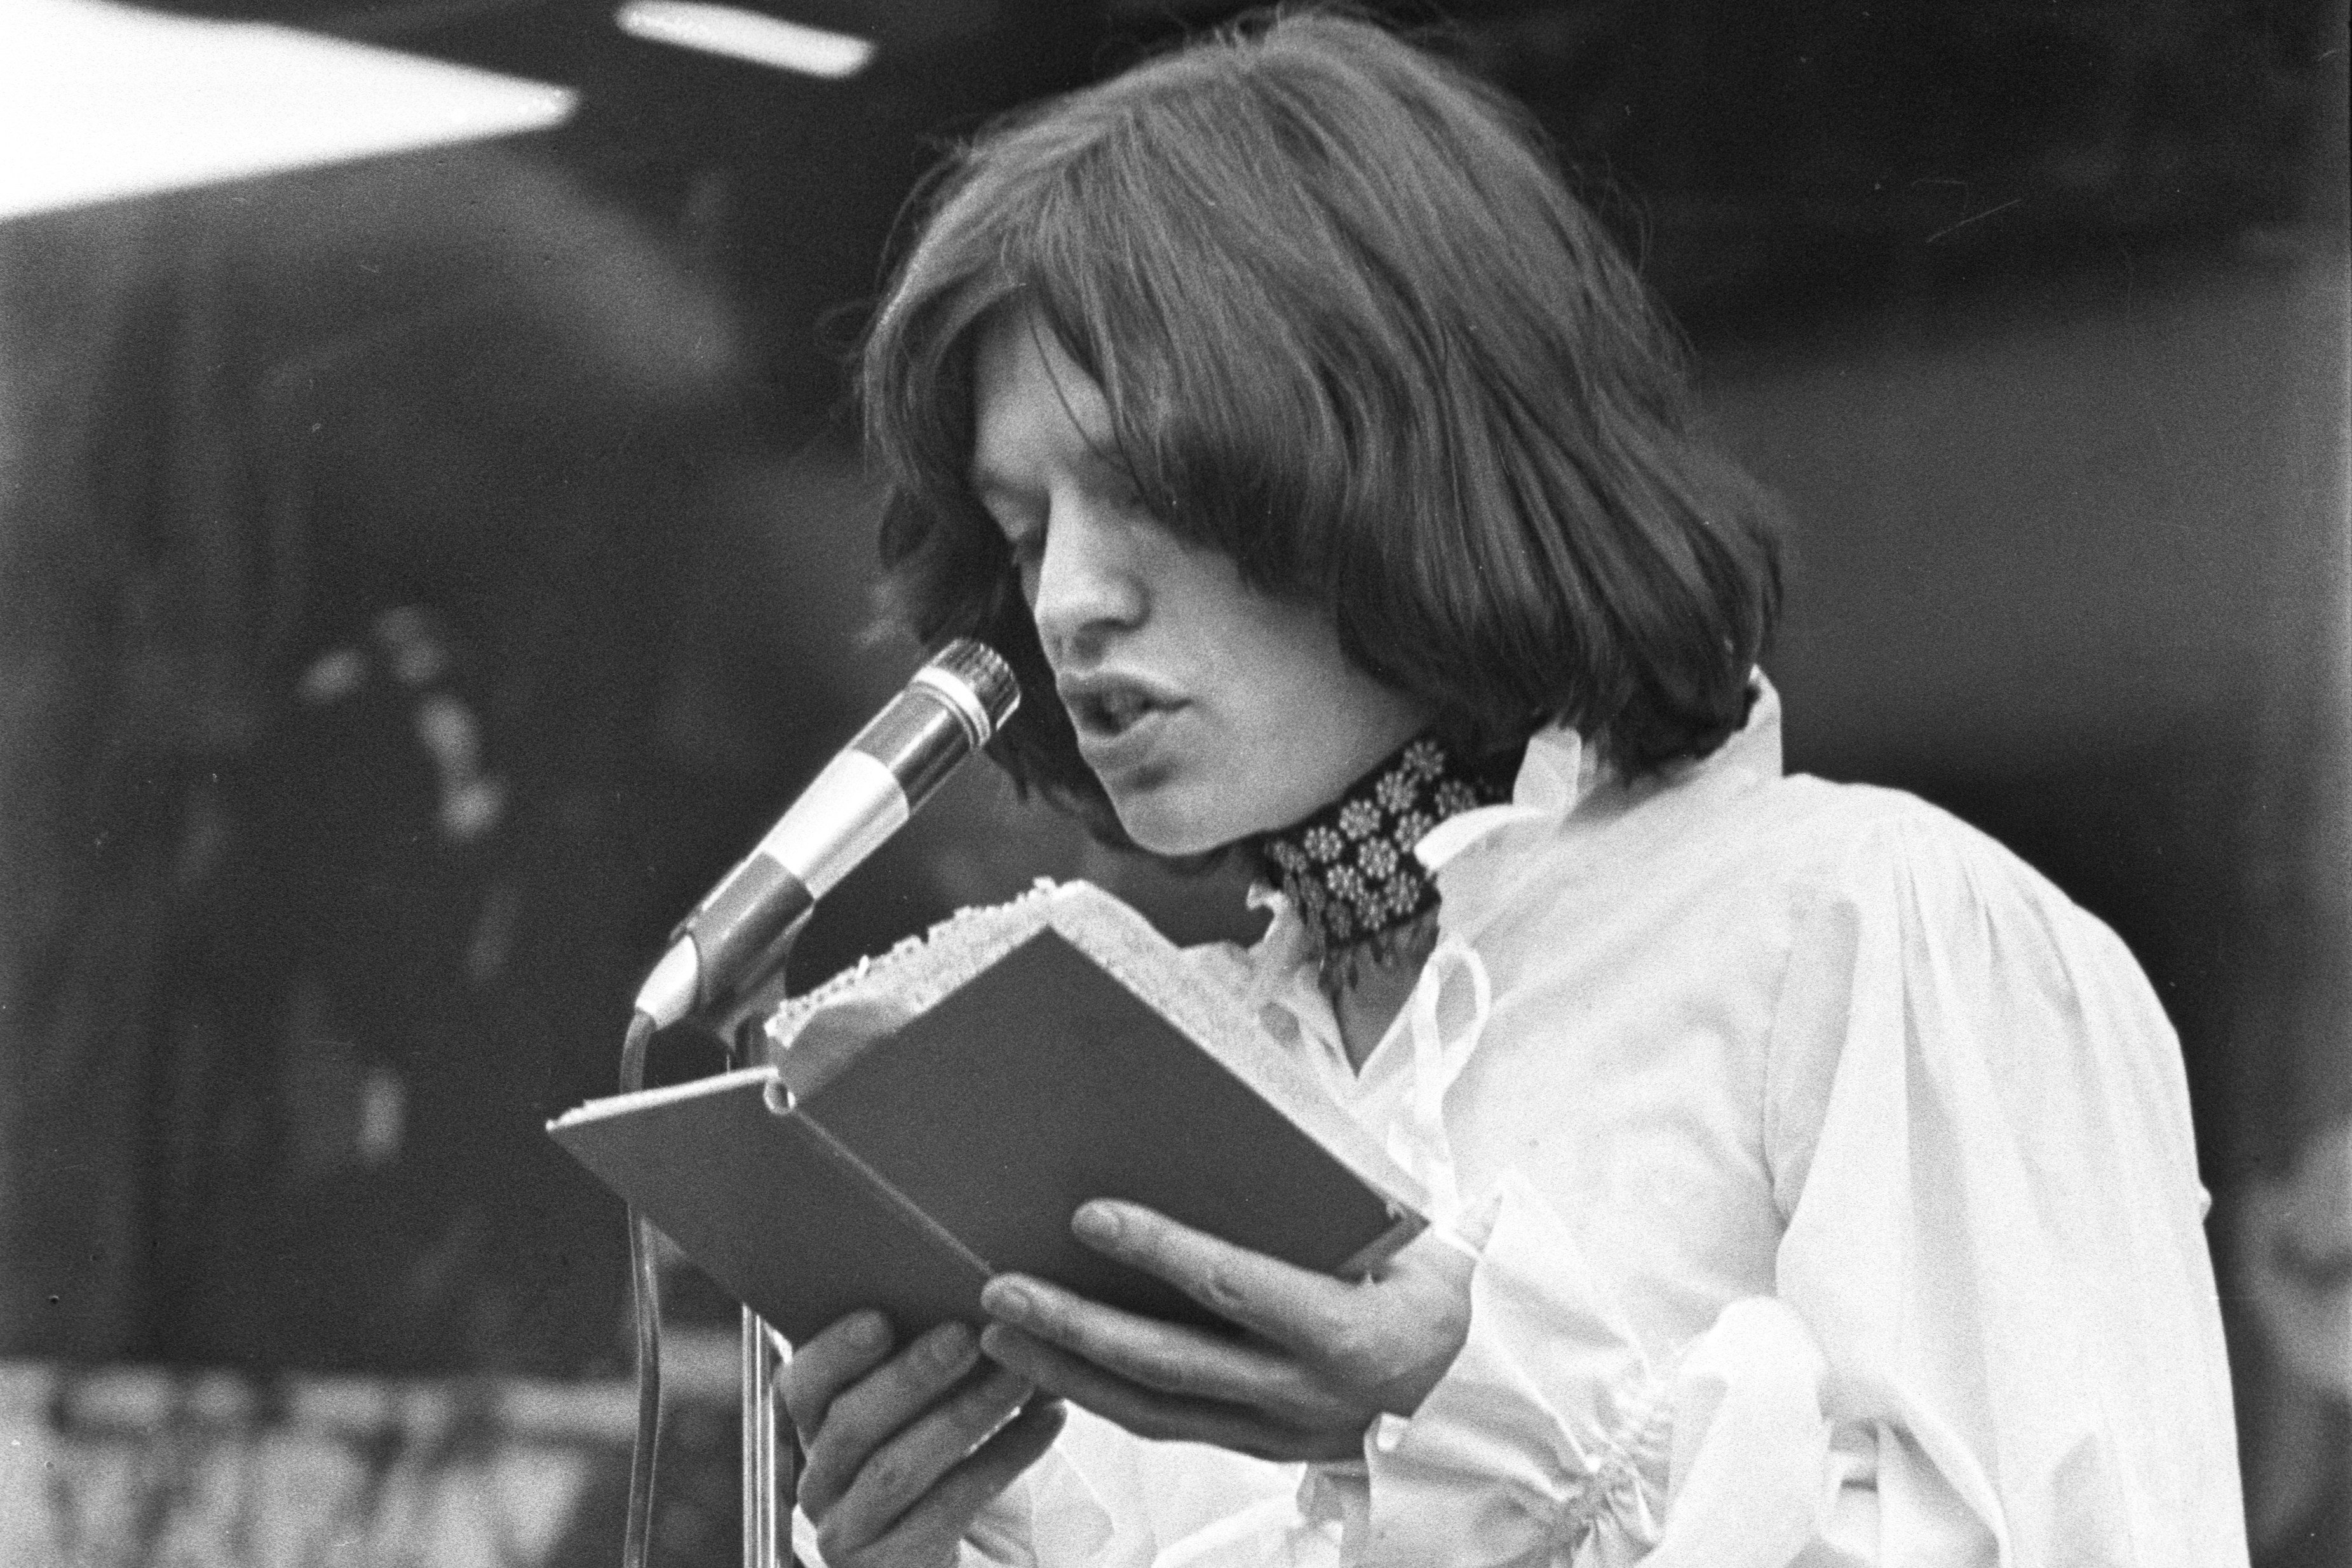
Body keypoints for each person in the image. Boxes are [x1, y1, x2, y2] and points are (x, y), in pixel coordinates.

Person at [780, 11, 2248, 1565]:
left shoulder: (1872, 931)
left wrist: (1482, 1410)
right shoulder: (1121, 1076)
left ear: (1390, 449)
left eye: (1142, 483)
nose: (1070, 598)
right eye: (1021, 530)